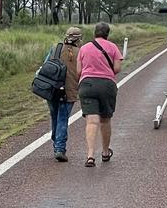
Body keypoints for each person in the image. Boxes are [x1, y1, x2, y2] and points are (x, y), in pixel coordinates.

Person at [76, 22, 123, 167]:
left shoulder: (84, 48)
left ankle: (90, 155)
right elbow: (117, 68)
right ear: (107, 34)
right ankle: (105, 152)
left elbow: (79, 71)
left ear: (94, 33)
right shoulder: (113, 47)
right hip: (106, 85)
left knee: (91, 121)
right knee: (105, 120)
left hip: (87, 84)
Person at [47, 26, 83, 161]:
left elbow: (46, 65)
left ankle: (56, 140)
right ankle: (59, 148)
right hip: (69, 91)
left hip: (51, 89)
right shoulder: (81, 52)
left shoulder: (55, 48)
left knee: (55, 116)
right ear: (78, 39)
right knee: (62, 118)